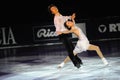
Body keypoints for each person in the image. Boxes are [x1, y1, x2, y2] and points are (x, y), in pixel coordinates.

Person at [48, 4, 82, 68]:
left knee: (73, 48)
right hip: (62, 35)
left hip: (65, 34)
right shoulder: (56, 18)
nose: (55, 9)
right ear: (52, 12)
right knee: (70, 49)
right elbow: (57, 27)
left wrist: (71, 17)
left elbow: (66, 17)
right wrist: (59, 32)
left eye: (55, 7)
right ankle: (76, 63)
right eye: (52, 9)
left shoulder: (60, 16)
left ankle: (78, 60)